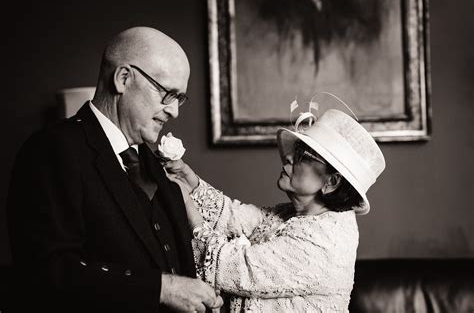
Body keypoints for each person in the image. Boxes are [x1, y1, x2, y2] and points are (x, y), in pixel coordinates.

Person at [7, 27, 222, 313]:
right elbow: (48, 270)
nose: (174, 112)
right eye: (167, 94)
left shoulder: (153, 160)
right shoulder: (51, 150)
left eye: (179, 98)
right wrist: (161, 289)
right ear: (123, 79)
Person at [165, 108, 386, 312]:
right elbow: (236, 217)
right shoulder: (298, 214)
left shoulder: (324, 242)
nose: (288, 157)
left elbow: (233, 268)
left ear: (332, 182)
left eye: (302, 156)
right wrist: (189, 181)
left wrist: (184, 203)